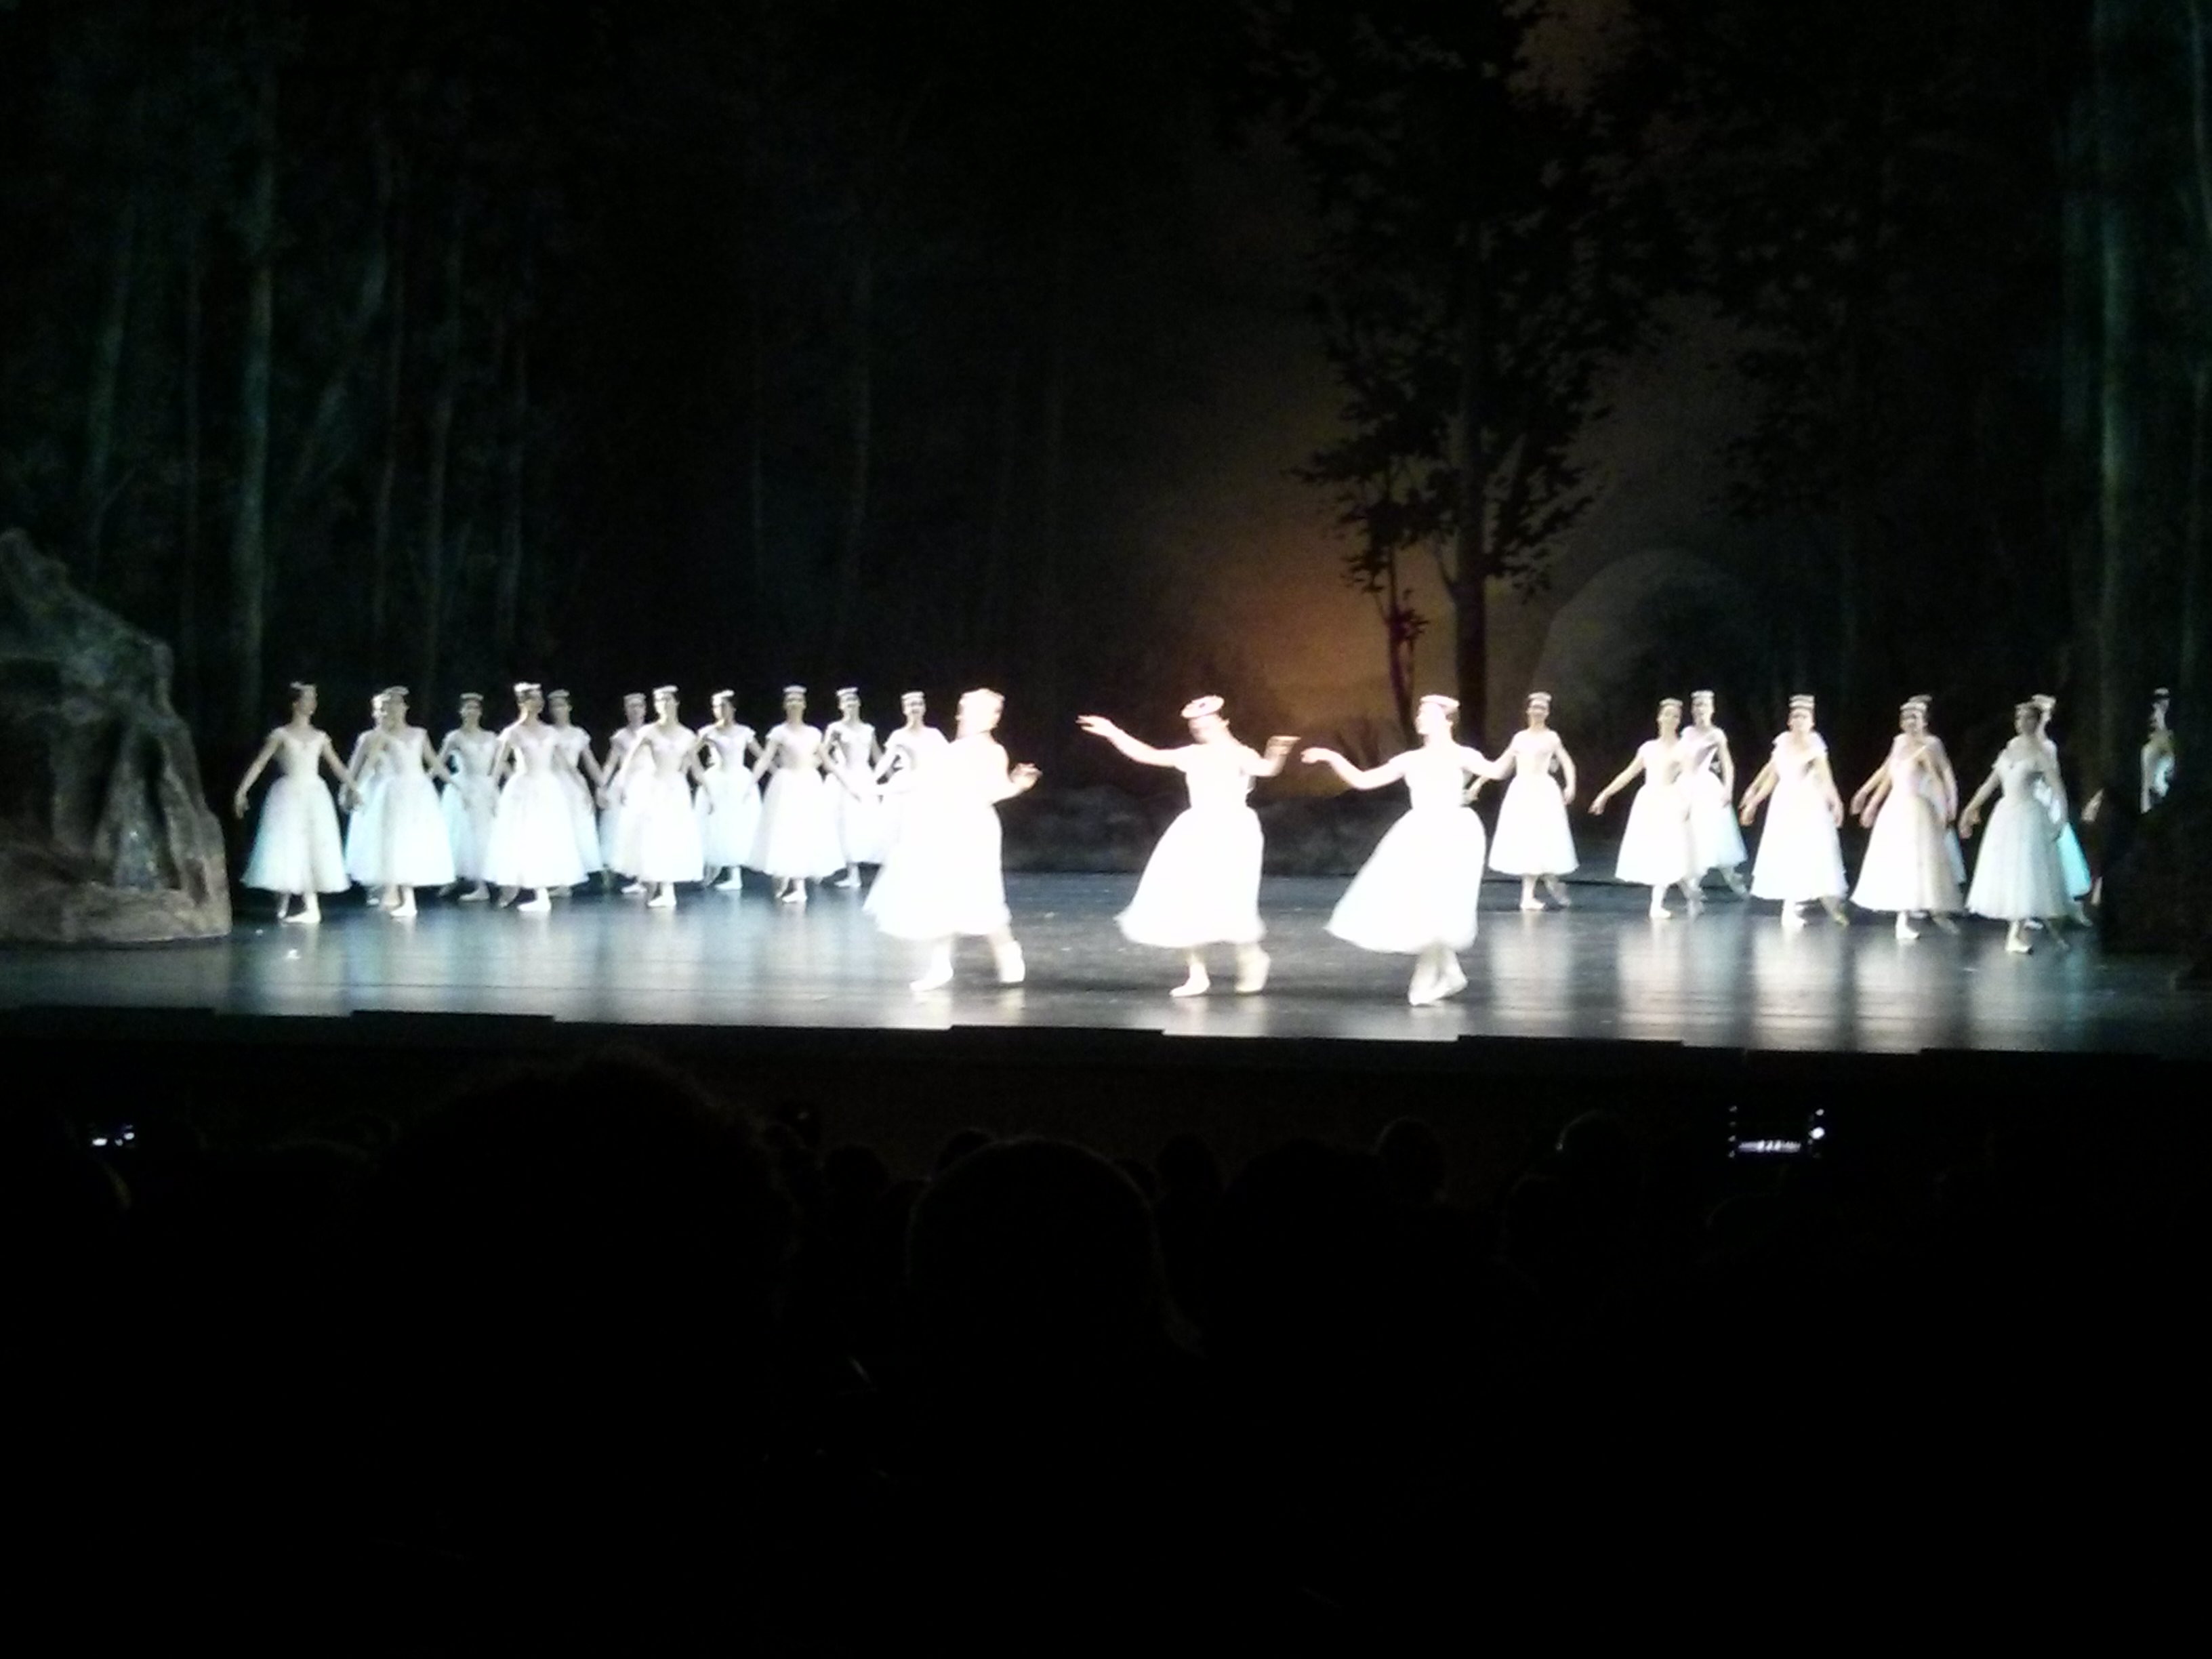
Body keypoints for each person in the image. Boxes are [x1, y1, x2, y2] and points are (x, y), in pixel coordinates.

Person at [1078, 696, 1296, 996]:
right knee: (1185, 897)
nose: (1200, 729)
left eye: (1206, 723)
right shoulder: (1192, 754)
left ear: (1223, 721)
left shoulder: (1240, 753)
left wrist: (1277, 751)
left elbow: (1267, 769)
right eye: (1195, 726)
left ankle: (1251, 957)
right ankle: (1197, 974)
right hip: (1196, 828)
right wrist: (1114, 732)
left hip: (1232, 829)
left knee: (1230, 897)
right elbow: (1147, 755)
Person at [1302, 693, 1507, 1005]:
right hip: (1418, 832)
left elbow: (1497, 771)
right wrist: (1332, 757)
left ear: (1446, 721)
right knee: (1423, 902)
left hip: (1452, 832)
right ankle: (1448, 973)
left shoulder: (1462, 755)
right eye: (1419, 713)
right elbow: (1364, 780)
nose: (1419, 718)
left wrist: (1516, 748)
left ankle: (1429, 979)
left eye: (1427, 713)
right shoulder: (1410, 759)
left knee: (1437, 902)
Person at [866, 688, 1040, 990]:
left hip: (975, 828)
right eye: (964, 709)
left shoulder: (992, 751)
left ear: (993, 719)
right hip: (946, 825)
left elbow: (994, 791)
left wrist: (1018, 785)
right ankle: (940, 966)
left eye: (974, 710)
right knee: (942, 895)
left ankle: (1007, 951)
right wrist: (878, 789)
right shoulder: (954, 749)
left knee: (980, 894)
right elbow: (923, 779)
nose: (964, 715)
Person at [233, 681, 356, 924]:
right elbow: (260, 763)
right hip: (288, 794)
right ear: (295, 703)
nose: (313, 703)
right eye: (308, 698)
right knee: (288, 844)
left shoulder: (320, 737)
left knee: (311, 845)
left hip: (314, 794)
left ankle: (311, 907)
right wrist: (242, 790)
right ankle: (284, 899)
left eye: (314, 698)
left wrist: (353, 787)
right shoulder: (281, 735)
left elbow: (337, 765)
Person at [1961, 701, 2075, 954]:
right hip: (2005, 815)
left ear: (2037, 721)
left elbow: (2058, 787)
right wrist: (1970, 809)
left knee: (2025, 871)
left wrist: (2062, 818)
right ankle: (2019, 931)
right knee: (2009, 870)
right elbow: (1990, 783)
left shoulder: (2041, 752)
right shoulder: (2009, 749)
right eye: (2018, 718)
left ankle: (2016, 933)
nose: (2022, 722)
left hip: (2028, 815)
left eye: (2027, 718)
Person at [1847, 698, 1961, 939]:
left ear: (1924, 722)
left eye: (1915, 719)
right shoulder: (1899, 743)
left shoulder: (1928, 747)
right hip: (1894, 808)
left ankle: (1912, 915)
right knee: (1895, 860)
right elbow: (1887, 772)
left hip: (1916, 808)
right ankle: (1903, 917)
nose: (1910, 723)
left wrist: (1947, 806)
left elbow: (1940, 777)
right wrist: (1867, 797)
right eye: (1906, 719)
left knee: (1914, 861)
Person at [1738, 693, 1850, 928]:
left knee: (1811, 853)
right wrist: (1754, 801)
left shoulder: (1815, 746)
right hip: (1784, 803)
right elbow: (1772, 775)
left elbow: (1826, 779)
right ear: (1789, 721)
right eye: (1795, 716)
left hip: (1808, 804)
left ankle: (1828, 904)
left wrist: (1836, 803)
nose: (1799, 721)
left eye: (1804, 717)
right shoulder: (1783, 743)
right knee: (1786, 852)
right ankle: (1790, 907)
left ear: (1812, 722)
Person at [1586, 697, 1702, 920]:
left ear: (1679, 721)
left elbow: (1690, 779)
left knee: (1668, 850)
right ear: (1659, 718)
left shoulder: (1683, 749)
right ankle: (1690, 893)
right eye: (1667, 714)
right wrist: (1605, 794)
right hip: (1649, 802)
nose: (1671, 719)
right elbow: (1628, 774)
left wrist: (1688, 804)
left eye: (1675, 716)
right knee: (1658, 851)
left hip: (1670, 801)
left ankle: (1658, 904)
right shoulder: (1648, 748)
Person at [348, 686, 455, 918]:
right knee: (395, 841)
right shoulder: (377, 737)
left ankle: (401, 894)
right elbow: (364, 766)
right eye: (388, 706)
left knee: (413, 841)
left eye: (397, 704)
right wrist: (353, 789)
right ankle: (398, 893)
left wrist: (455, 784)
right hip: (392, 792)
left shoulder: (419, 734)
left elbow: (434, 761)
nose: (393, 710)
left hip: (417, 792)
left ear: (405, 707)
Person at [483, 682, 588, 912]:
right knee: (525, 837)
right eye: (534, 698)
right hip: (523, 788)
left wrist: (583, 788)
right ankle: (531, 891)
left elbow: (567, 765)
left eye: (540, 698)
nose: (539, 702)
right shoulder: (513, 732)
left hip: (548, 787)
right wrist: (491, 793)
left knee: (546, 837)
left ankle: (542, 894)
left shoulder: (550, 732)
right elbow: (498, 766)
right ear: (522, 702)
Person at [606, 686, 712, 910]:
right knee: (656, 836)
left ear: (676, 703)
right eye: (659, 701)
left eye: (667, 700)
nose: (663, 704)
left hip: (677, 789)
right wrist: (622, 785)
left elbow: (696, 768)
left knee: (674, 837)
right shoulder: (649, 732)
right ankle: (664, 889)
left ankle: (667, 889)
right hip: (654, 788)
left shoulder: (687, 735)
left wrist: (710, 793)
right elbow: (628, 761)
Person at [1481, 691, 1578, 912]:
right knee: (1528, 840)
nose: (1537, 711)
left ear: (1547, 713)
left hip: (1543, 792)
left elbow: (1567, 762)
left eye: (1542, 708)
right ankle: (1538, 889)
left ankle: (1543, 885)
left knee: (1541, 839)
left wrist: (1571, 785)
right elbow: (1502, 764)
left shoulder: (1552, 737)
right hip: (1522, 792)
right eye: (1534, 707)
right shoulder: (1520, 738)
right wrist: (1479, 783)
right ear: (1528, 711)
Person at [750, 686, 843, 903]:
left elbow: (828, 762)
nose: (794, 703)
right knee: (786, 831)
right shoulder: (778, 732)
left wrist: (851, 785)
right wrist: (750, 782)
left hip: (809, 784)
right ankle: (788, 877)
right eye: (790, 700)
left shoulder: (813, 733)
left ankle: (799, 887)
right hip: (786, 784)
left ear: (804, 704)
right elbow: (765, 758)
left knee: (805, 830)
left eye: (798, 700)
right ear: (784, 705)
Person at [2028, 694, 2092, 924]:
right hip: (2030, 797)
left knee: (2055, 850)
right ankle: (2032, 906)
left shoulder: (2048, 746)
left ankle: (2066, 904)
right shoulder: (2024, 744)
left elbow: (2053, 776)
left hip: (2045, 798)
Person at [1679, 690, 1749, 895]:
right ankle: (1694, 881)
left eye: (1704, 705)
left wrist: (1728, 789)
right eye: (1697, 705)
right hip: (1686, 784)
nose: (1700, 709)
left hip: (1706, 787)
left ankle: (1730, 878)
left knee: (1710, 835)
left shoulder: (1716, 734)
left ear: (1712, 709)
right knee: (1689, 834)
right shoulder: (1687, 732)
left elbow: (1727, 764)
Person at [695, 691, 763, 890]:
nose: (719, 710)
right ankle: (714, 866)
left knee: (736, 824)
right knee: (716, 823)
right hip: (717, 779)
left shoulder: (744, 732)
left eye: (723, 705)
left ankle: (735, 875)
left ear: (732, 708)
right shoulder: (708, 732)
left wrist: (761, 776)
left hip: (739, 780)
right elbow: (690, 753)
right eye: (716, 706)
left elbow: (761, 755)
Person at [436, 693, 499, 901]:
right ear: (461, 711)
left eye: (475, 708)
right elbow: (439, 763)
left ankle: (482, 885)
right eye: (468, 708)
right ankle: (454, 877)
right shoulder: (455, 737)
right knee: (462, 834)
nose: (472, 711)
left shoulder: (491, 737)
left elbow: (500, 763)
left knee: (484, 834)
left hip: (486, 786)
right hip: (464, 786)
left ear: (481, 712)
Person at [546, 691, 608, 896]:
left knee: (578, 829)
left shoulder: (578, 734)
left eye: (561, 705)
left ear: (569, 707)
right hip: (553, 783)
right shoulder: (547, 732)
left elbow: (589, 762)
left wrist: (602, 785)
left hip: (574, 785)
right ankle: (559, 878)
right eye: (554, 706)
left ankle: (577, 877)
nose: (558, 710)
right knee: (557, 830)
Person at [824, 687, 887, 889]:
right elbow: (824, 754)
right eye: (846, 701)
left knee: (866, 821)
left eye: (853, 700)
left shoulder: (868, 729)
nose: (850, 704)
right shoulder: (835, 728)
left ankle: (873, 869)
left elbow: (877, 755)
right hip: (844, 777)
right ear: (840, 706)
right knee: (846, 822)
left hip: (865, 776)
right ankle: (853, 873)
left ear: (859, 703)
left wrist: (889, 778)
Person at [875, 691, 949, 856]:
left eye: (919, 704)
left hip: (929, 783)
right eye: (911, 705)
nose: (915, 708)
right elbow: (886, 761)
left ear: (924, 708)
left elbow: (947, 758)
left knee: (928, 824)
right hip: (906, 782)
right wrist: (872, 779)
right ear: (904, 709)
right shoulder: (898, 735)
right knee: (905, 825)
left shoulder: (934, 734)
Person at [342, 692, 393, 901]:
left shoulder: (402, 736)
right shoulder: (367, 738)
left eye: (388, 708)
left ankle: (392, 886)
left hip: (396, 791)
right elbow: (354, 766)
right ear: (374, 713)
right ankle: (376, 886)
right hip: (374, 790)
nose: (385, 713)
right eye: (381, 709)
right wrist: (348, 790)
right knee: (374, 836)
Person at [598, 692, 649, 893]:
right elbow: (611, 763)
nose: (635, 710)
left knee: (645, 829)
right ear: (626, 711)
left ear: (645, 709)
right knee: (623, 829)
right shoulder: (621, 736)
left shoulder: (651, 732)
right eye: (631, 707)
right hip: (626, 782)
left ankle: (645, 876)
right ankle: (627, 873)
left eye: (639, 706)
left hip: (648, 782)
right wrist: (602, 785)